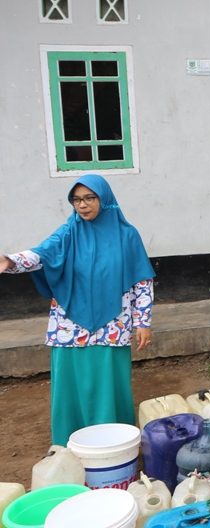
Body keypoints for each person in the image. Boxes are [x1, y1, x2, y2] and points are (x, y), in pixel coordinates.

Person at [0, 174, 155, 445]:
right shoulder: (67, 232)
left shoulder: (127, 235)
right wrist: (11, 261)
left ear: (104, 199)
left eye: (89, 198)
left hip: (113, 322)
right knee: (70, 385)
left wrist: (143, 321)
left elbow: (141, 280)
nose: (82, 205)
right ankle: (70, 443)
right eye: (76, 200)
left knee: (109, 382)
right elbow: (40, 255)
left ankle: (113, 442)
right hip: (69, 324)